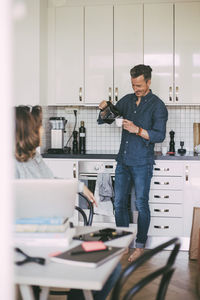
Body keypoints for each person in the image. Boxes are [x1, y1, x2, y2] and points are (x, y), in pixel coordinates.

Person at [14, 105, 121, 300]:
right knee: (108, 267)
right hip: (32, 244)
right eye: (38, 126)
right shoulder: (9, 165)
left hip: (52, 233)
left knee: (112, 264)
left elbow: (51, 182)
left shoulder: (34, 157)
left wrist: (80, 187)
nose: (42, 129)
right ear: (26, 130)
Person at [98, 64, 168, 262]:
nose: (135, 88)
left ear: (148, 82)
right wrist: (104, 109)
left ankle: (139, 246)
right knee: (119, 203)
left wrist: (137, 130)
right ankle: (123, 243)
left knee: (141, 204)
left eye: (139, 85)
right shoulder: (127, 100)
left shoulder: (157, 105)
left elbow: (159, 135)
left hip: (142, 163)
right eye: (133, 85)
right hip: (123, 161)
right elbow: (107, 119)